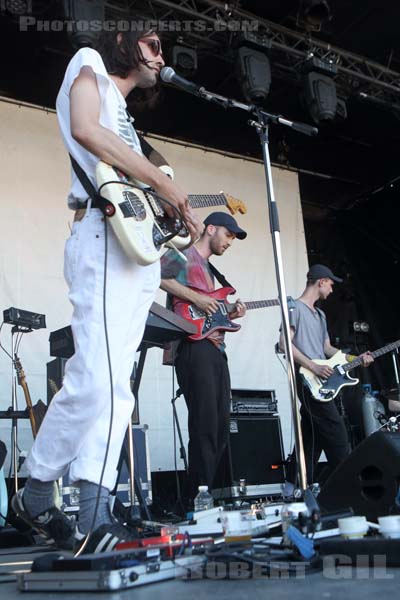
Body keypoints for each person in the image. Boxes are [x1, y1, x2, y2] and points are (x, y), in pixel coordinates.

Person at [12, 26, 202, 553]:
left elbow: (132, 170)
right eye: (153, 43)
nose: (161, 54)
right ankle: (34, 492)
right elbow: (87, 131)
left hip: (136, 254)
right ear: (124, 41)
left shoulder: (132, 124)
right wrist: (163, 184)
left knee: (117, 387)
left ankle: (96, 509)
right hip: (100, 237)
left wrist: (168, 204)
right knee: (95, 378)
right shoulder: (89, 61)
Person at [160, 212, 247, 505]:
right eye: (229, 234)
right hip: (193, 349)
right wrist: (197, 299)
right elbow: (156, 276)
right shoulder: (184, 254)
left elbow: (212, 311)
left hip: (214, 350)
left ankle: (205, 494)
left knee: (220, 421)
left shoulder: (212, 270)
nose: (230, 241)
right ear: (210, 229)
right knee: (205, 422)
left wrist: (230, 312)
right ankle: (197, 497)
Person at [280, 264, 374, 489]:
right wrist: (313, 366)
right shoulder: (294, 308)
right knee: (336, 432)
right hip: (306, 378)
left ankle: (294, 487)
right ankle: (351, 488)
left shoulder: (320, 314)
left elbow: (327, 348)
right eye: (331, 284)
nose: (332, 289)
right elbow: (285, 344)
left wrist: (356, 359)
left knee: (312, 437)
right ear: (321, 281)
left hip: (321, 382)